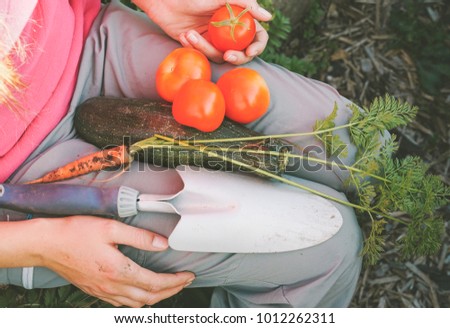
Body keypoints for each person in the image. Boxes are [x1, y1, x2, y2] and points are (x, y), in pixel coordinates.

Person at [0, 0, 363, 308]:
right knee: (328, 248)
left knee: (354, 143)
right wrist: (41, 245)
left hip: (86, 37)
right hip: (20, 183)